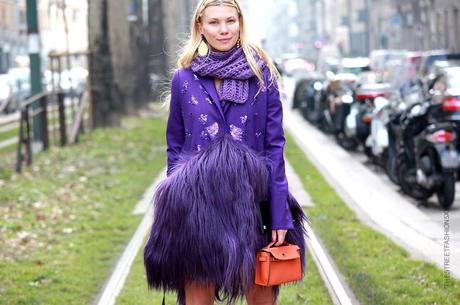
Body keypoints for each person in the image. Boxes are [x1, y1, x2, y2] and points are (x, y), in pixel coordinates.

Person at [143, 1, 307, 304]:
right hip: (196, 210)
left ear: (241, 23)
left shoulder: (262, 76)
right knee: (197, 296)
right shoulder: (184, 79)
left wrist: (280, 216)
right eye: (214, 22)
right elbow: (175, 149)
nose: (223, 29)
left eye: (230, 21)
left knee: (261, 294)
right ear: (200, 27)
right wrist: (172, 214)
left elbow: (275, 148)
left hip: (253, 204)